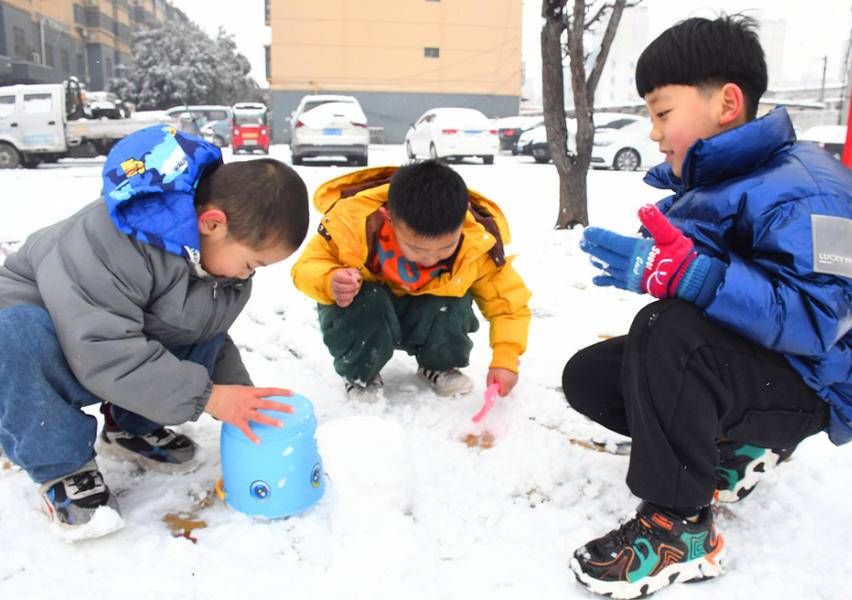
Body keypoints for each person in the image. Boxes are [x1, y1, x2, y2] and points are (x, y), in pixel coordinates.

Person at [563, 15, 852, 598]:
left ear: (727, 103)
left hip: (825, 381)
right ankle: (729, 448)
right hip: (771, 364)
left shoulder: (819, 193)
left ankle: (679, 526)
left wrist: (690, 276)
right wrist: (669, 268)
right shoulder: (723, 183)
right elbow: (722, 294)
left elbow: (817, 319)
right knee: (593, 376)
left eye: (662, 112)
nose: (652, 131)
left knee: (666, 331)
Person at [0, 125, 310, 540]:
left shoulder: (215, 267)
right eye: (252, 263)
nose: (246, 275)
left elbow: (209, 338)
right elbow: (101, 349)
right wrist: (213, 398)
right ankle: (62, 468)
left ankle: (130, 427)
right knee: (17, 338)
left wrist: (242, 398)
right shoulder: (111, 242)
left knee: (193, 321)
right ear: (213, 223)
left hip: (108, 341)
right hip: (53, 338)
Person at [291, 160, 531, 401]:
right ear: (388, 218)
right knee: (366, 301)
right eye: (417, 249)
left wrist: (506, 359)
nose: (430, 259)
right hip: (369, 314)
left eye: (446, 247)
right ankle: (361, 375)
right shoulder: (351, 223)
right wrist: (330, 280)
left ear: (464, 216)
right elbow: (305, 267)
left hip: (424, 315)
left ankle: (438, 364)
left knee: (451, 302)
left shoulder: (477, 242)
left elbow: (508, 305)